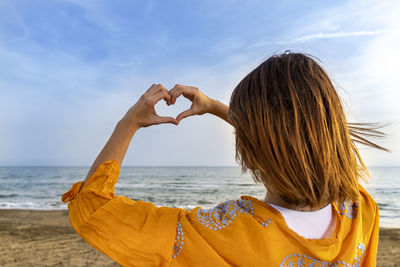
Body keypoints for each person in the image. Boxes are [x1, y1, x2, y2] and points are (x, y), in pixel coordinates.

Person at [62, 52, 388, 266]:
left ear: (249, 149)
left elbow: (93, 209)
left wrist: (128, 123)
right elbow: (302, 136)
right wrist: (216, 106)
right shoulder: (361, 211)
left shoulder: (221, 233)